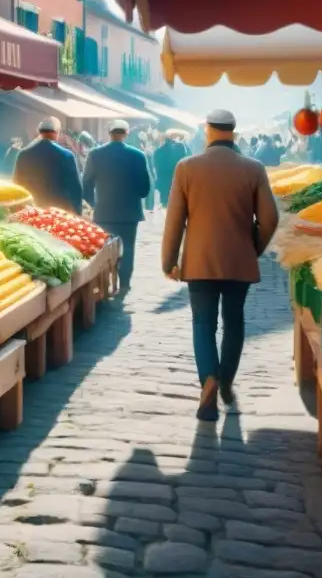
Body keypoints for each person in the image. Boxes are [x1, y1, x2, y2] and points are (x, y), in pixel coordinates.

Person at [162, 109, 279, 421]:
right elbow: (269, 219)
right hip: (238, 259)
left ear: (208, 131)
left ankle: (208, 381)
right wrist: (252, 248)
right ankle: (225, 381)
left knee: (203, 323)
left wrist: (168, 262)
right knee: (234, 322)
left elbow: (174, 221)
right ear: (234, 133)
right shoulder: (253, 168)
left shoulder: (187, 167)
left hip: (199, 261)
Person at [83, 119, 151, 294]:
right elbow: (145, 188)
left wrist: (92, 204)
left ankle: (105, 281)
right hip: (129, 212)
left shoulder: (95, 154)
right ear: (126, 133)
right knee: (127, 247)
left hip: (104, 211)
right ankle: (125, 282)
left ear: (109, 133)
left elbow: (87, 183)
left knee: (104, 249)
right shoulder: (138, 155)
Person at [13, 117, 83, 214]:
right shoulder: (66, 155)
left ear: (39, 132)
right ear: (57, 132)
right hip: (57, 214)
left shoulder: (23, 154)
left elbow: (16, 184)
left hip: (30, 212)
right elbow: (75, 190)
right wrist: (77, 214)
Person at [153, 130, 189, 208]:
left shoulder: (158, 151)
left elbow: (157, 167)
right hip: (177, 176)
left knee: (166, 203)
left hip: (164, 179)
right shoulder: (181, 147)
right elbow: (185, 160)